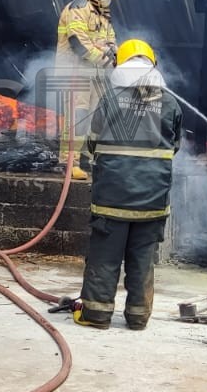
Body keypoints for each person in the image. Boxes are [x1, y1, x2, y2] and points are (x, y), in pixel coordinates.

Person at [71, 39, 181, 331]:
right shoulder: (170, 102)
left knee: (105, 257)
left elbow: (92, 143)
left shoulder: (110, 98)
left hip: (112, 198)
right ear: (153, 64)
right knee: (142, 259)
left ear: (120, 64)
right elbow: (175, 145)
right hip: (152, 199)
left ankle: (96, 315)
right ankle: (138, 317)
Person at [53, 0, 121, 179]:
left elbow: (111, 41)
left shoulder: (102, 14)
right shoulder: (78, 8)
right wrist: (104, 58)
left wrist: (115, 55)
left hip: (95, 74)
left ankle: (87, 159)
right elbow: (78, 43)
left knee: (94, 118)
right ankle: (68, 162)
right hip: (75, 72)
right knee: (78, 116)